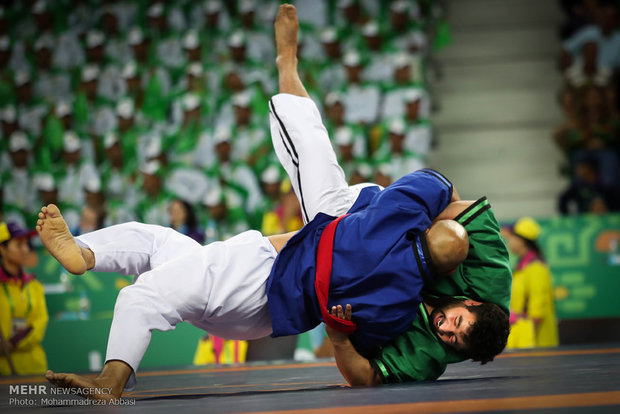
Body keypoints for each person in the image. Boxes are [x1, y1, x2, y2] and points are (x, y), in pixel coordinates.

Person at [41, 4, 507, 400]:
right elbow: (449, 205)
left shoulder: (404, 295)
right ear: (469, 298)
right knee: (160, 244)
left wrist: (342, 338)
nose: (447, 331)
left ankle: (110, 381)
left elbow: (439, 194)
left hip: (268, 281)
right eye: (458, 322)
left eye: (454, 339)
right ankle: (87, 252)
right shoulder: (437, 269)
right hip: (304, 252)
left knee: (146, 295)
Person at [0, 221, 49, 375]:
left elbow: (40, 322)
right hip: (3, 369)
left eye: (26, 244)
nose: (26, 250)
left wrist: (13, 343)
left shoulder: (35, 286)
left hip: (35, 367)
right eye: (19, 245)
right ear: (2, 249)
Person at [502, 217, 559, 349]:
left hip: (536, 343)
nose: (508, 241)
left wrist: (527, 332)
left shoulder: (535, 267)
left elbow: (537, 307)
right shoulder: (524, 266)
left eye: (511, 238)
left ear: (522, 241)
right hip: (525, 337)